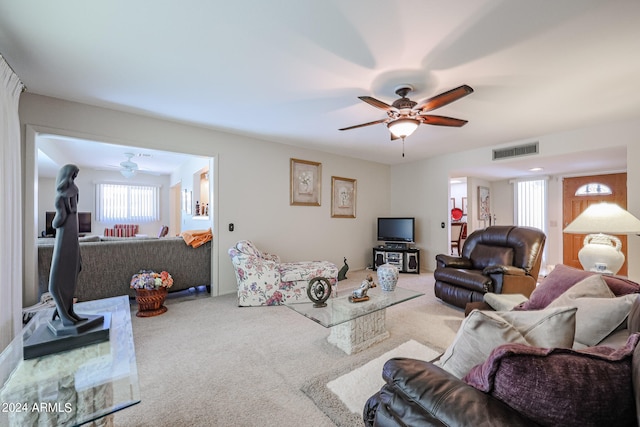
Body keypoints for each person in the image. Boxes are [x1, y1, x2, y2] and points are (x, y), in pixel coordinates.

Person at [49, 164, 86, 326]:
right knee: (68, 271)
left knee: (67, 270)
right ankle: (65, 311)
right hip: (70, 235)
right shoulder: (71, 193)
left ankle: (67, 311)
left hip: (67, 236)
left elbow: (58, 221)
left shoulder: (61, 196)